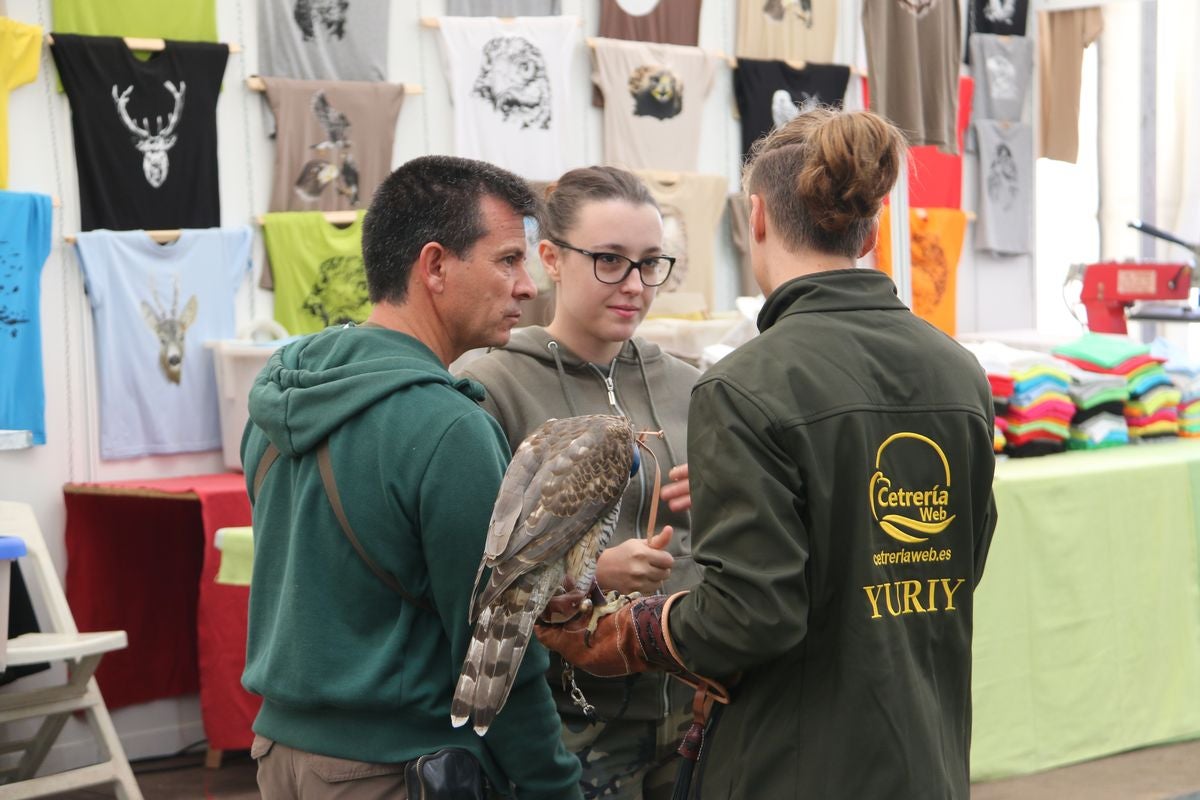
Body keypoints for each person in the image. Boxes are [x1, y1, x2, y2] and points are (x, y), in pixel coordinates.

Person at [537, 108, 998, 798]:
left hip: (792, 764)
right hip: (925, 752)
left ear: (755, 218)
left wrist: (629, 632)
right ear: (871, 229)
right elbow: (963, 556)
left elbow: (750, 615)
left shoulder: (747, 384)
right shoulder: (957, 371)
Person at [241, 155, 583, 800]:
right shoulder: (448, 428)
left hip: (279, 756)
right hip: (395, 767)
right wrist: (555, 786)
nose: (529, 285)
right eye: (509, 259)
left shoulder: (283, 393)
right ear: (434, 266)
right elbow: (495, 653)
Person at [457, 165, 701, 800]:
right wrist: (590, 575)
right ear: (550, 259)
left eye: (651, 263)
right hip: (568, 724)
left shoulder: (691, 385)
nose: (634, 285)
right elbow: (468, 568)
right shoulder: (492, 384)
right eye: (609, 260)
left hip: (697, 710)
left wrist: (731, 496)